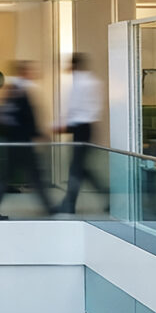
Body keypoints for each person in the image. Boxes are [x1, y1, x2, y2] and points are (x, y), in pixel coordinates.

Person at [0, 60, 55, 219]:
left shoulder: (13, 90)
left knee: (31, 175)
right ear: (23, 72)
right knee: (18, 175)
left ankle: (48, 207)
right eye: (29, 71)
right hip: (18, 142)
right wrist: (38, 133)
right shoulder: (17, 91)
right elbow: (24, 117)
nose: (32, 74)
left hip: (16, 142)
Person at [54, 53, 105, 214]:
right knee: (81, 167)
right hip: (89, 127)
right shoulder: (94, 81)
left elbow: (73, 108)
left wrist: (60, 125)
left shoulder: (78, 83)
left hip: (80, 128)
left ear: (73, 65)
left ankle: (69, 204)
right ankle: (105, 195)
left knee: (76, 168)